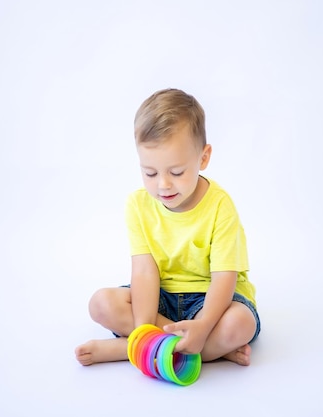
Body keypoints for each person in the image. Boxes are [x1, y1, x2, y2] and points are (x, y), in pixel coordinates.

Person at [75, 88, 260, 367]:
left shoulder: (220, 205)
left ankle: (133, 349)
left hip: (209, 300)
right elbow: (144, 272)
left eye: (176, 172)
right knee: (101, 303)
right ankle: (196, 350)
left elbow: (224, 278)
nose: (162, 184)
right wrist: (142, 329)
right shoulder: (138, 204)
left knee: (239, 324)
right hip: (161, 298)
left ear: (203, 158)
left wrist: (205, 323)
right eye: (150, 172)